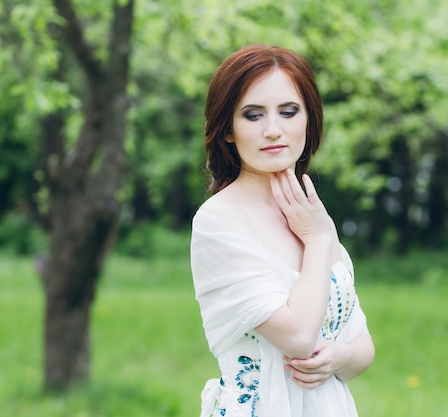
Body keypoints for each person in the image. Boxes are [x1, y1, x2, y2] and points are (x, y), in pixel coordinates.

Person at [190, 44, 374, 417]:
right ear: (227, 129)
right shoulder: (218, 223)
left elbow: (362, 346)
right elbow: (297, 338)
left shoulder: (310, 216)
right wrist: (319, 240)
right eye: (253, 115)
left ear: (309, 119)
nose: (273, 130)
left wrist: (339, 357)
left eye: (288, 112)